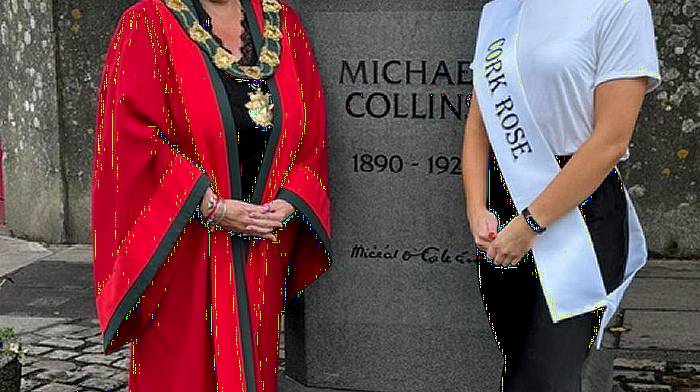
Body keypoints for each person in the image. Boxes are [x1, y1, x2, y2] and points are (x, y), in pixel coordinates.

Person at [91, 0, 332, 390]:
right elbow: (129, 136)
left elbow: (312, 130)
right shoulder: (149, 23)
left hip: (263, 244)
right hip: (184, 247)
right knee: (182, 373)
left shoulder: (282, 23)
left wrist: (289, 199)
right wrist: (212, 205)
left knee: (254, 366)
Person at [462, 0, 661, 390]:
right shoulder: (500, 11)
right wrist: (476, 207)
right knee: (519, 366)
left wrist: (532, 223)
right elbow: (478, 126)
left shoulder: (620, 7)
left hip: (580, 214)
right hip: (505, 212)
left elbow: (611, 139)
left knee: (548, 375)